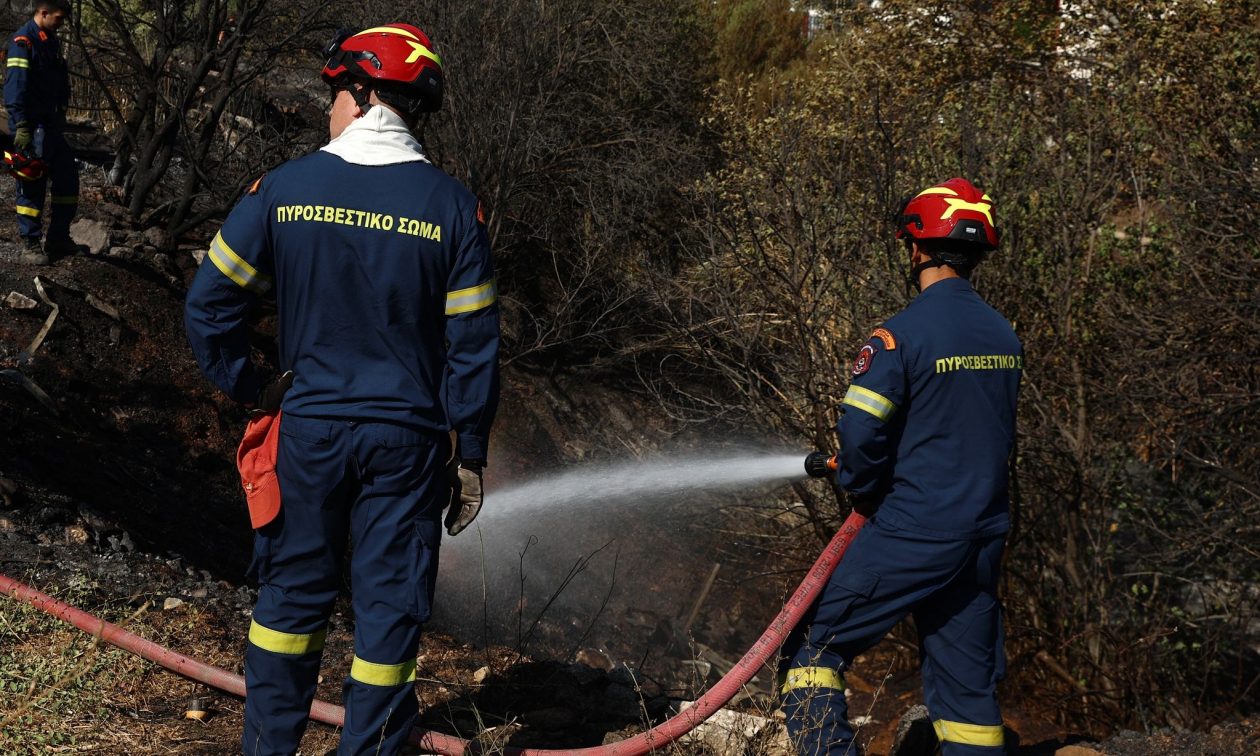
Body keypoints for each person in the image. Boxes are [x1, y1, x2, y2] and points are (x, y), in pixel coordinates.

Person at [184, 23, 499, 755]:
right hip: (409, 444)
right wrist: (471, 448)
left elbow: (208, 306)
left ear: (360, 92)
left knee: (287, 607)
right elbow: (474, 348)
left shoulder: (283, 191)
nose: (329, 110)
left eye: (334, 94)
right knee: (388, 621)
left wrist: (254, 386)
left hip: (308, 433)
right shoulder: (455, 210)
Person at [781, 178, 1022, 755]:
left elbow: (862, 433)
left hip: (913, 528)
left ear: (916, 249)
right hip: (982, 536)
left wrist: (858, 482)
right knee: (968, 700)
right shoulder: (1003, 334)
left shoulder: (900, 336)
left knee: (811, 652)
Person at [5, 0, 78, 265]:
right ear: (43, 13)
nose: (61, 23)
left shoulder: (50, 41)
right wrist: (21, 125)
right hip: (31, 125)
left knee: (67, 178)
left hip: (50, 125)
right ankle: (30, 243)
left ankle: (59, 237)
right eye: (58, 18)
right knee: (31, 181)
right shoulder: (23, 42)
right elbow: (15, 87)